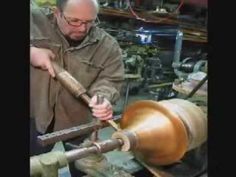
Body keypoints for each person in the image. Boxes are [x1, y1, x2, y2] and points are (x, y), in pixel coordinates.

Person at [30, 0, 125, 156]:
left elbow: (111, 79)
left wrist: (103, 98)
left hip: (79, 122)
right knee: (34, 166)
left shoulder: (107, 46)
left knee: (83, 165)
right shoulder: (34, 22)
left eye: (90, 21)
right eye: (74, 21)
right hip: (37, 116)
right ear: (57, 13)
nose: (82, 28)